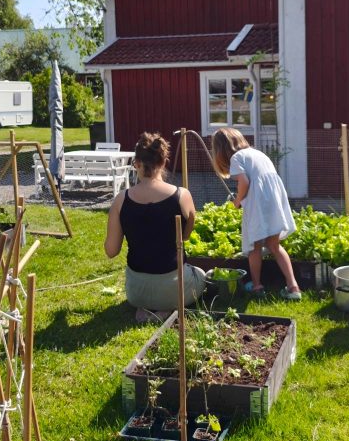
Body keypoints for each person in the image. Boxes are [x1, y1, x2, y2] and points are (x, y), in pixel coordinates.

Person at [104, 132, 206, 322]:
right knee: (200, 274)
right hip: (175, 288)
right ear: (164, 161)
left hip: (136, 293)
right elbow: (185, 236)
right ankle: (165, 308)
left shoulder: (121, 200)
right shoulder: (182, 195)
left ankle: (148, 309)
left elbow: (111, 251)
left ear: (136, 163)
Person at [211, 127, 302, 301]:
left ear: (221, 149)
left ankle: (257, 286)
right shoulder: (257, 153)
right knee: (275, 246)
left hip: (257, 204)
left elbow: (244, 182)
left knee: (255, 247)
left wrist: (237, 201)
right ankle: (293, 287)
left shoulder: (237, 158)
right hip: (273, 201)